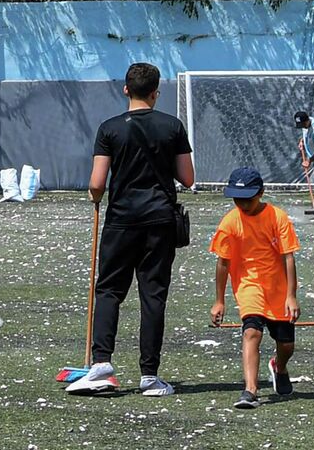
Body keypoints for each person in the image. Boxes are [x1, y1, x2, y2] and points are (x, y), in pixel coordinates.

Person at [69, 62, 195, 397]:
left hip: (122, 219)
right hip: (160, 219)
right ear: (156, 92)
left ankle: (101, 364)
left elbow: (97, 183)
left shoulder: (110, 128)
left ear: (126, 89)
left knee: (109, 290)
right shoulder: (172, 126)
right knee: (153, 296)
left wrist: (95, 196)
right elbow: (188, 177)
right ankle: (150, 376)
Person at [209, 166, 301, 410]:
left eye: (247, 199)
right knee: (252, 332)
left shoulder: (277, 217)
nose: (242, 204)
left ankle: (279, 367)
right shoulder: (229, 223)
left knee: (286, 344)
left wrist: (291, 295)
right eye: (237, 199)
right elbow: (223, 263)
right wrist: (219, 300)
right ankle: (250, 390)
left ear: (260, 192)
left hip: (278, 288)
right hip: (248, 286)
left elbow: (288, 257)